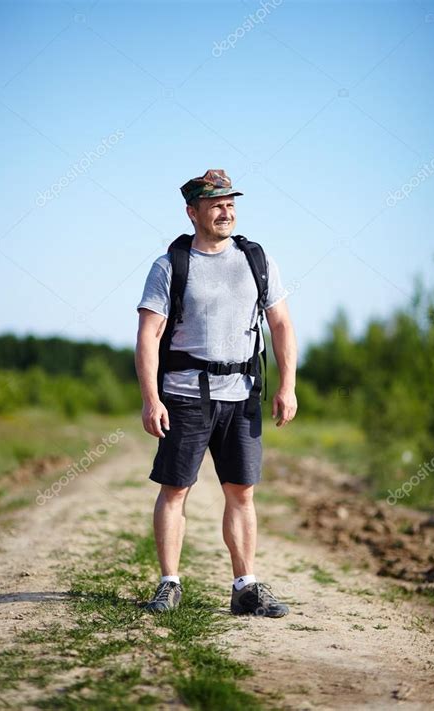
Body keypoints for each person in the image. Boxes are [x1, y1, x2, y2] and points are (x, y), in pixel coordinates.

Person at [135, 168, 298, 617]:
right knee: (175, 489)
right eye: (215, 205)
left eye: (230, 204)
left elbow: (281, 324)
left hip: (242, 393)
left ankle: (246, 586)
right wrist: (152, 398)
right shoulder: (170, 266)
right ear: (193, 212)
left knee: (242, 492)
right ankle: (169, 583)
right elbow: (149, 335)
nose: (226, 212)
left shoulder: (256, 260)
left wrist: (288, 385)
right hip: (184, 394)